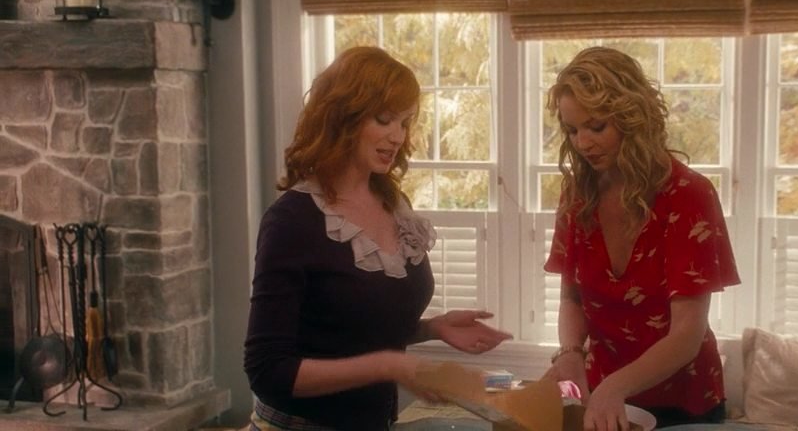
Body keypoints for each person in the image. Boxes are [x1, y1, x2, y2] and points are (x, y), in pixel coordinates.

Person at [243, 46, 512, 431]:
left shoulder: (393, 204)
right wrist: (390, 365)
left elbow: (350, 330)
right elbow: (268, 371)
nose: (397, 136)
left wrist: (432, 328)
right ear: (341, 117)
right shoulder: (292, 221)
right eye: (384, 119)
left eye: (404, 122)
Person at [544, 46, 741, 430]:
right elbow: (572, 297)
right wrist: (570, 354)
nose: (583, 143)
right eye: (572, 130)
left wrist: (615, 387)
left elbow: (687, 334)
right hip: (603, 396)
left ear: (632, 118)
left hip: (683, 402)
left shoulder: (688, 194)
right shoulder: (578, 194)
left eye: (596, 126)